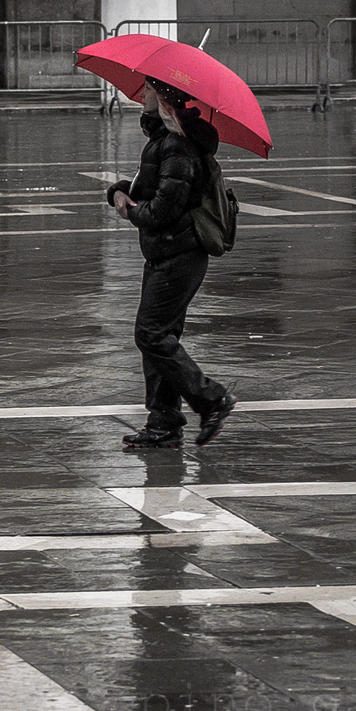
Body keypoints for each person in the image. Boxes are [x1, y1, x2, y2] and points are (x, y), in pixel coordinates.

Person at [107, 77, 237, 449]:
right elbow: (147, 185)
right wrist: (118, 191)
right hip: (165, 251)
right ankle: (163, 424)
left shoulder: (177, 144)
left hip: (181, 252)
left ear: (163, 98)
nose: (140, 95)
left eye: (148, 90)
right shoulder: (163, 140)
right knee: (159, 337)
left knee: (150, 334)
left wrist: (132, 212)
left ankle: (212, 399)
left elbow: (167, 205)